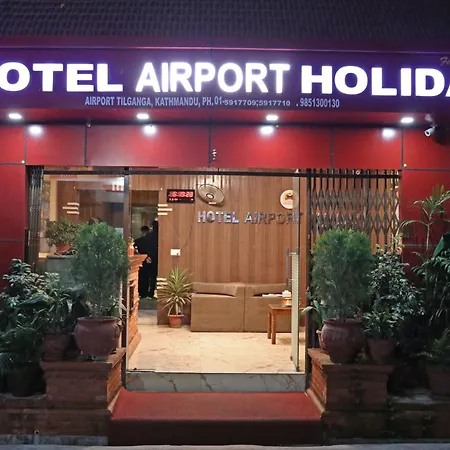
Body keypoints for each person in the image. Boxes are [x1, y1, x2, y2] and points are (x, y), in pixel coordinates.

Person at [134, 225, 152, 298]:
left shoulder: (138, 241)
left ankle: (140, 292)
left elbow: (135, 250)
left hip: (140, 260)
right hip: (149, 260)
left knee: (141, 276)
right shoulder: (151, 241)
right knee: (147, 277)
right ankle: (146, 292)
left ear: (141, 231)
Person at [147, 219, 159, 298]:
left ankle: (151, 292)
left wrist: (148, 256)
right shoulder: (161, 235)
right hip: (159, 257)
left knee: (152, 276)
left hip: (151, 257)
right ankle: (156, 291)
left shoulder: (149, 235)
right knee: (157, 275)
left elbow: (147, 246)